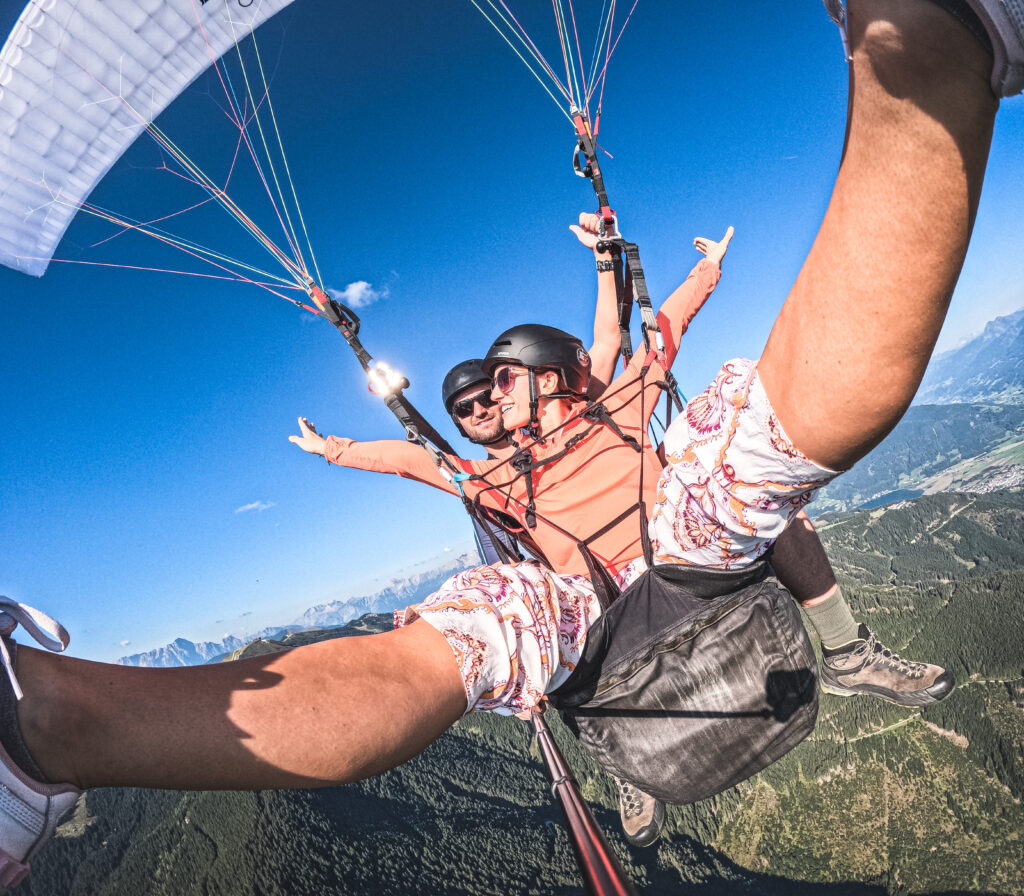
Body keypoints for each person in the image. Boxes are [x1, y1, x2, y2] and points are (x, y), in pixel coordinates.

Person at [0, 0, 1016, 887]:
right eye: (479, 395)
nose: (491, 400)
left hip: (681, 550)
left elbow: (643, 329)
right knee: (481, 626)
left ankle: (929, 51)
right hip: (579, 602)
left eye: (499, 381)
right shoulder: (481, 473)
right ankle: (39, 731)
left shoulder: (611, 392)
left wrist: (634, 255)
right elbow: (410, 454)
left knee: (743, 442)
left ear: (540, 371)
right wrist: (337, 434)